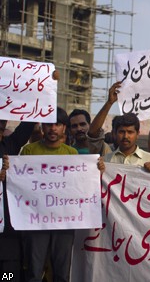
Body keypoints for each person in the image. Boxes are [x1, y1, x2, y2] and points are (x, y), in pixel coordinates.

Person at [21, 108, 79, 282]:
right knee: (34, 271)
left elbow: (79, 186)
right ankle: (6, 278)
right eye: (48, 124)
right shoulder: (29, 151)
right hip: (36, 220)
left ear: (64, 128)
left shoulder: (72, 154)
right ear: (42, 127)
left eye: (57, 124)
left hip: (64, 222)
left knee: (62, 272)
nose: (53, 128)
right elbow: (21, 183)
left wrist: (96, 170)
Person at [0, 120, 36, 280]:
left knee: (8, 277)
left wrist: (38, 96)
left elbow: (27, 123)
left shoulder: (9, 145)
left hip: (8, 240)